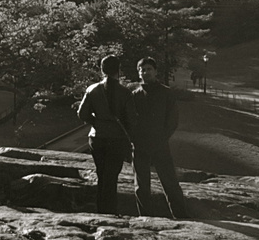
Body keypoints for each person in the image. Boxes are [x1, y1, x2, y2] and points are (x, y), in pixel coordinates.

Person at [129, 56, 190, 220]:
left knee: (170, 184)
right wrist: (135, 140)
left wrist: (161, 139)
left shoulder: (166, 93)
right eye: (142, 69)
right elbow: (128, 121)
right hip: (140, 146)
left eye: (149, 69)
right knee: (141, 187)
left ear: (155, 71)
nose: (145, 72)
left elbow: (172, 121)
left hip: (160, 145)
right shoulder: (134, 95)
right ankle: (146, 220)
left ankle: (182, 218)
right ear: (138, 72)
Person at [77, 55, 132, 215]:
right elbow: (131, 119)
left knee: (101, 173)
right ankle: (109, 211)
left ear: (102, 70)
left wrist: (96, 122)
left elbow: (82, 113)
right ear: (118, 70)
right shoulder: (125, 92)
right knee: (112, 175)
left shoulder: (92, 89)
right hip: (116, 139)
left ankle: (101, 209)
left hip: (97, 137)